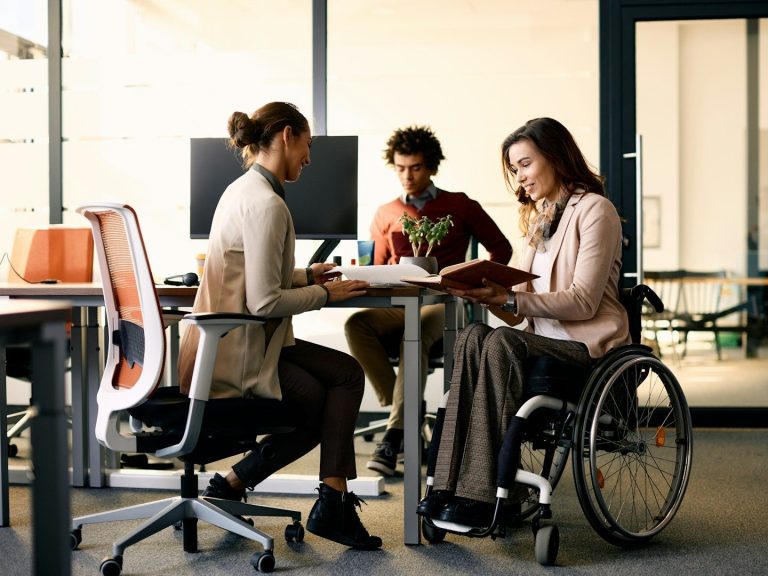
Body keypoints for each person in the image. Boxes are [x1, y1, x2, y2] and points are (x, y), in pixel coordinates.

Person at [177, 102, 382, 550]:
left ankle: (239, 486)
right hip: (240, 351)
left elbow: (255, 277)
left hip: (232, 341)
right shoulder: (267, 204)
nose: (309, 158)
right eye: (307, 145)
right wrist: (326, 295)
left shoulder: (241, 190)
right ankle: (332, 503)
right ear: (287, 136)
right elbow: (265, 300)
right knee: (330, 395)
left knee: (340, 382)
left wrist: (308, 276)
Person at [416, 117, 630, 527]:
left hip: (585, 347)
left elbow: (584, 301)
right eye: (515, 169)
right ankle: (446, 485)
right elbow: (519, 305)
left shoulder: (596, 211)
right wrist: (483, 294)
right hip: (540, 340)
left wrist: (510, 297)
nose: (520, 179)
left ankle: (482, 494)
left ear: (555, 157)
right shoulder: (541, 218)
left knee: (499, 344)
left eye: (525, 165)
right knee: (474, 335)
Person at [344, 125, 512, 476]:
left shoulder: (460, 205)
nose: (407, 176)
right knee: (355, 324)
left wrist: (472, 279)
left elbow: (502, 249)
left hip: (446, 304)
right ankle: (406, 417)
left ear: (432, 167)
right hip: (398, 304)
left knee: (416, 329)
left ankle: (394, 435)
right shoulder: (385, 212)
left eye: (415, 168)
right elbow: (377, 262)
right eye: (400, 168)